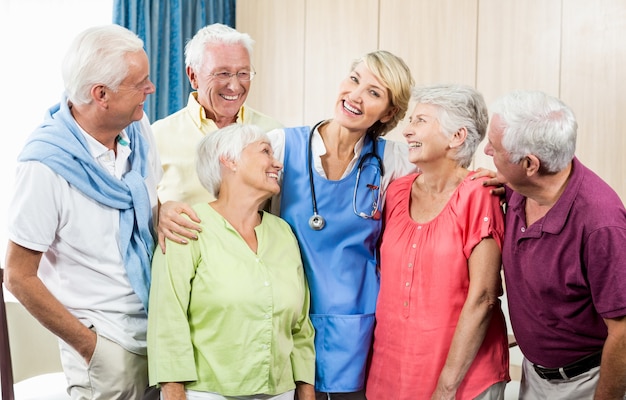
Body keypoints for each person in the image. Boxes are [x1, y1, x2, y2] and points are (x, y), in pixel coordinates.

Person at [159, 50, 417, 398]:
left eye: (374, 92)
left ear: (388, 112)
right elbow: (236, 200)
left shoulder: (395, 162)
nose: (356, 95)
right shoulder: (282, 145)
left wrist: (485, 179)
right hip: (280, 315)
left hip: (358, 327)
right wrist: (164, 209)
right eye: (354, 80)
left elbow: (440, 188)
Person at [3, 25, 161, 399]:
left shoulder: (139, 132)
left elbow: (151, 203)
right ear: (101, 95)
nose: (150, 89)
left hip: (159, 336)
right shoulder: (44, 166)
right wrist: (91, 347)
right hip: (106, 350)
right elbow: (18, 276)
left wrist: (165, 211)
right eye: (139, 83)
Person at [147, 123, 315, 400]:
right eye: (265, 152)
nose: (278, 163)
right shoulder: (187, 226)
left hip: (281, 392)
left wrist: (306, 393)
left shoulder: (283, 233)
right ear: (229, 159)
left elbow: (300, 326)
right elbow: (167, 319)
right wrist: (173, 392)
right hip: (206, 392)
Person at [366, 84, 510, 400]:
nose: (407, 131)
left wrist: (447, 387)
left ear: (456, 137)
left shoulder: (479, 193)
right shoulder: (396, 191)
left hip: (461, 379)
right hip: (391, 374)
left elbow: (484, 297)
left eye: (420, 121)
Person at [483, 90, 626, 400]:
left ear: (530, 164)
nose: (485, 150)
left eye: (493, 148)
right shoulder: (520, 188)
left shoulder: (601, 224)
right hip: (534, 375)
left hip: (587, 382)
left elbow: (624, 332)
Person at [152, 23, 283, 207]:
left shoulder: (275, 133)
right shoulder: (156, 137)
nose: (235, 86)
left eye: (243, 73)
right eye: (223, 73)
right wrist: (161, 214)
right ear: (193, 76)